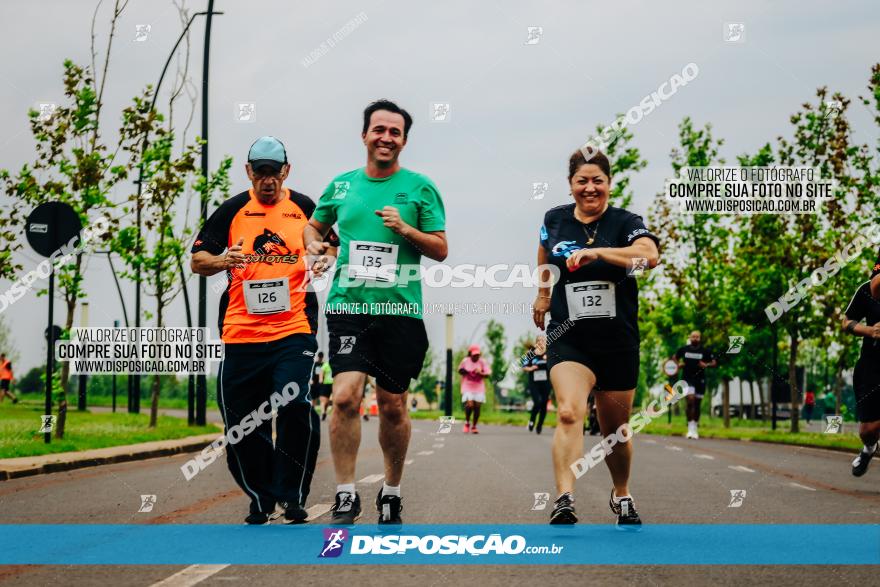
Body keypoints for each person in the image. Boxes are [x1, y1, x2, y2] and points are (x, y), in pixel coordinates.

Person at [303, 99, 448, 524]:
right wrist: (312, 241)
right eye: (379, 129)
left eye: (395, 132)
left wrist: (406, 230)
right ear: (364, 134)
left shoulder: (420, 188)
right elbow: (315, 224)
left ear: (404, 140)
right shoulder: (342, 186)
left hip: (399, 311)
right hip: (348, 306)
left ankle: (392, 489)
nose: (386, 138)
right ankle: (346, 493)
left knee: (392, 405)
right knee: (345, 397)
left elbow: (440, 249)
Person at [191, 136, 336, 525]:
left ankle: (291, 495)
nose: (268, 180)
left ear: (286, 171)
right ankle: (261, 495)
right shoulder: (233, 209)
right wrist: (223, 259)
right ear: (249, 172)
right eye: (261, 172)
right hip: (241, 332)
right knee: (241, 422)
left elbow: (331, 245)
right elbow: (197, 259)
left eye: (275, 172)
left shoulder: (305, 208)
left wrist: (321, 259)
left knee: (293, 404)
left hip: (294, 328)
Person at [533, 148, 659, 527]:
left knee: (615, 431)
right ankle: (564, 498)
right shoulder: (553, 219)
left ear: (609, 184)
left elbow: (649, 256)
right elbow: (543, 253)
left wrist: (598, 253)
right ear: (571, 185)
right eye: (582, 181)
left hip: (617, 340)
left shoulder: (625, 222)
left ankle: (621, 493)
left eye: (597, 181)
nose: (590, 188)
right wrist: (542, 294)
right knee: (569, 411)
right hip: (569, 337)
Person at [842, 275, 880, 476]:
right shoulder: (867, 289)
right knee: (868, 431)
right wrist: (870, 330)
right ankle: (869, 448)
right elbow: (847, 322)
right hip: (872, 365)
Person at [674, 331, 716, 439]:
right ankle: (690, 428)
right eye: (693, 337)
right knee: (690, 401)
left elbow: (714, 362)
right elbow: (674, 358)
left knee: (697, 404)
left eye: (697, 337)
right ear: (690, 337)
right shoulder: (684, 349)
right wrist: (679, 364)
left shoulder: (705, 351)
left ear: (700, 338)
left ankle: (695, 427)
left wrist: (705, 364)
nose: (695, 338)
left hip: (700, 380)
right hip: (687, 379)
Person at [459, 344, 491, 434]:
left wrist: (480, 372)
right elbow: (460, 370)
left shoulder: (482, 362)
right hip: (467, 386)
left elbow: (488, 374)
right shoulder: (465, 361)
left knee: (477, 406)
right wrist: (466, 371)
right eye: (474, 355)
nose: (476, 357)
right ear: (470, 354)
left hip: (479, 387)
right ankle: (467, 423)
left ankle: (474, 426)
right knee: (470, 405)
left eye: (478, 355)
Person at [522, 336, 551, 434]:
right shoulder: (531, 353)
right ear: (536, 342)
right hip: (534, 383)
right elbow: (524, 366)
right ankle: (532, 421)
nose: (541, 342)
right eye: (539, 341)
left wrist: (548, 361)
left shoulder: (549, 353)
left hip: (546, 383)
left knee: (544, 404)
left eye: (543, 341)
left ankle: (539, 425)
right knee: (537, 402)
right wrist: (531, 368)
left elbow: (555, 367)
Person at [318, 355, 334, 421]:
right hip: (327, 384)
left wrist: (320, 379)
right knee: (323, 400)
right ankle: (323, 412)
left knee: (326, 401)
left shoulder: (332, 364)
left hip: (332, 384)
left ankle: (325, 412)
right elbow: (321, 372)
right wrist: (321, 379)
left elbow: (321, 372)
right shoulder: (326, 364)